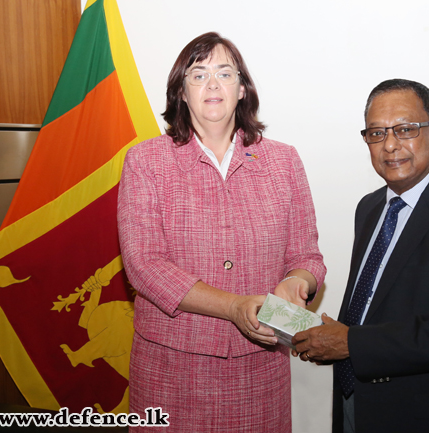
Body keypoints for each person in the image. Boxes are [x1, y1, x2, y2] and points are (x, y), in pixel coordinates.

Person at [117, 32, 326, 432]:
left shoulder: (283, 161)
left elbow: (307, 257)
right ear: (180, 92)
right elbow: (143, 265)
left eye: (224, 73)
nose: (212, 84)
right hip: (171, 372)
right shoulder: (145, 161)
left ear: (242, 89)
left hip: (259, 369)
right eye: (198, 74)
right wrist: (232, 307)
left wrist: (295, 284)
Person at [292, 79, 429, 433]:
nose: (390, 145)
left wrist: (349, 343)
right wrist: (326, 339)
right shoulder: (369, 208)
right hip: (356, 407)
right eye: (377, 133)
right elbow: (374, 303)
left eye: (405, 129)